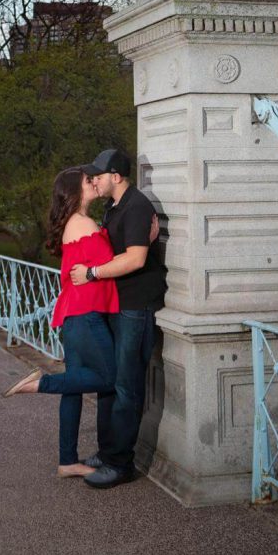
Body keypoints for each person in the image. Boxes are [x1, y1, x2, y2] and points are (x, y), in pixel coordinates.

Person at [1, 166, 119, 478]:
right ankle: (40, 384)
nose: (94, 182)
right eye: (87, 180)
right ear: (76, 191)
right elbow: (109, 263)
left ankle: (68, 461)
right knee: (110, 378)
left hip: (74, 314)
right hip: (86, 313)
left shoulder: (75, 222)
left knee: (75, 387)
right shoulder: (83, 222)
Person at [69, 148, 167, 489]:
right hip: (116, 304)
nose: (94, 178)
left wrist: (93, 273)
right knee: (110, 381)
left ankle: (121, 463)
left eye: (99, 173)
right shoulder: (114, 207)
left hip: (134, 307)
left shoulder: (138, 206)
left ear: (117, 176)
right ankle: (108, 451)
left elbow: (136, 260)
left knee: (126, 385)